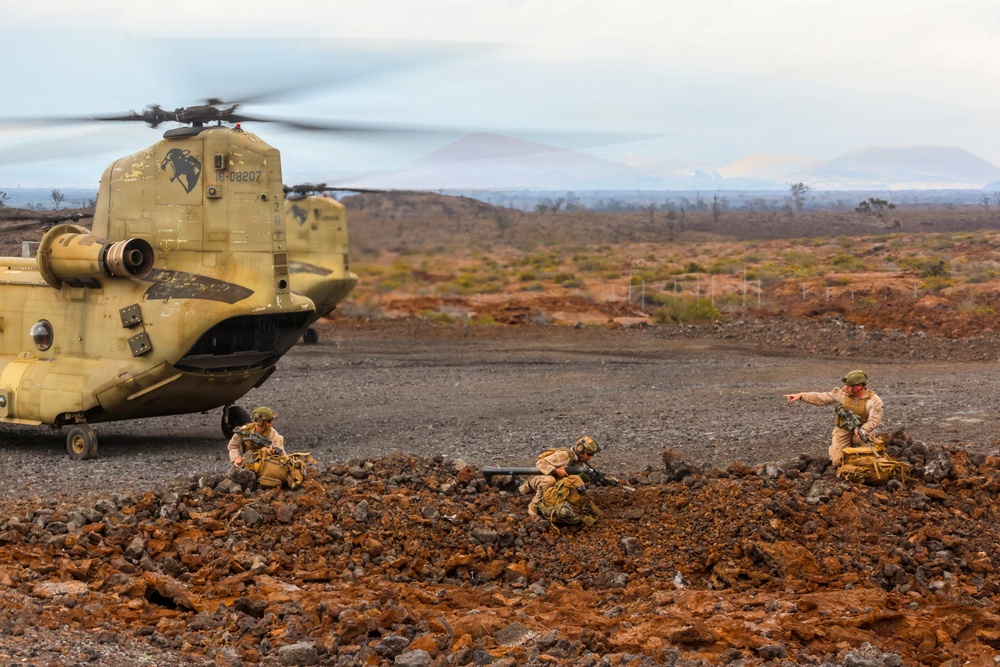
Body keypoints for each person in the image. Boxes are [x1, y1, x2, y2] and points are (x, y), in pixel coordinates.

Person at [784, 370, 884, 468]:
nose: (846, 388)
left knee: (869, 459)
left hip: (862, 430)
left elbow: (874, 420)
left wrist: (863, 429)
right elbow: (823, 397)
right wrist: (801, 396)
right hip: (843, 429)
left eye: (850, 386)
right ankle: (838, 450)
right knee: (837, 462)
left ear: (859, 386)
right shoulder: (843, 394)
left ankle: (856, 447)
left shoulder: (874, 400)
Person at [520, 436, 600, 517]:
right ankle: (534, 505)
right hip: (540, 479)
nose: (590, 457)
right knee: (550, 480)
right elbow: (540, 463)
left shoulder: (581, 464)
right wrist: (556, 471)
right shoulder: (564, 455)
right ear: (581, 449)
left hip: (554, 485)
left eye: (592, 455)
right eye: (589, 454)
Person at [537, 474, 602, 527]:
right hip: (555, 510)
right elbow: (583, 502)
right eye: (588, 483)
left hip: (545, 506)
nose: (589, 485)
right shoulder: (575, 482)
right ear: (584, 482)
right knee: (577, 519)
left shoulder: (565, 483)